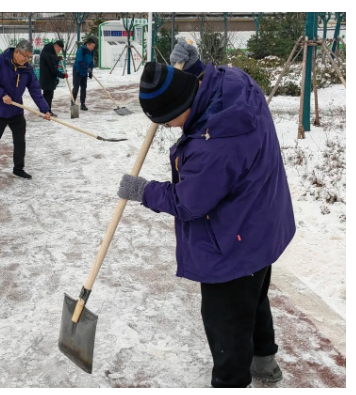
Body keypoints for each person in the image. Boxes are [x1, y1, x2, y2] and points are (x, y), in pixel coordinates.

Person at [117, 38, 296, 388]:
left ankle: (231, 381)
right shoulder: (233, 82)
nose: (168, 127)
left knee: (226, 322)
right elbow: (209, 80)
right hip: (261, 221)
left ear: (182, 106)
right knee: (254, 298)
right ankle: (265, 362)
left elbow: (189, 202)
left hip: (232, 242)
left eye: (168, 120)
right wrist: (190, 69)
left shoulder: (214, 145)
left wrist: (143, 190)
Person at [0, 40, 51, 180]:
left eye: (29, 57)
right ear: (17, 52)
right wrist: (2, 94)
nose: (27, 60)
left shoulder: (27, 69)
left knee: (20, 140)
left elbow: (35, 90)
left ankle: (18, 168)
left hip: (16, 110)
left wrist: (44, 109)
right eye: (25, 56)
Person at [39, 40, 68, 117]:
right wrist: (63, 75)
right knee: (48, 96)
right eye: (59, 49)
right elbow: (53, 69)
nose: (59, 51)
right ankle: (47, 111)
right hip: (48, 78)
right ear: (55, 46)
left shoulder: (48, 51)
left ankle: (44, 111)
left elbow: (51, 60)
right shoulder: (49, 54)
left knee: (47, 95)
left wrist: (57, 58)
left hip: (46, 78)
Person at [72, 37, 96, 111]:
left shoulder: (91, 52)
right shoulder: (81, 50)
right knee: (76, 88)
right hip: (77, 71)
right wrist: (86, 68)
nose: (93, 48)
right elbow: (79, 61)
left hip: (84, 72)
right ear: (88, 45)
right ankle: (73, 104)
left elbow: (91, 62)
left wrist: (90, 71)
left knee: (84, 88)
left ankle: (83, 104)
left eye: (94, 46)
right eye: (92, 46)